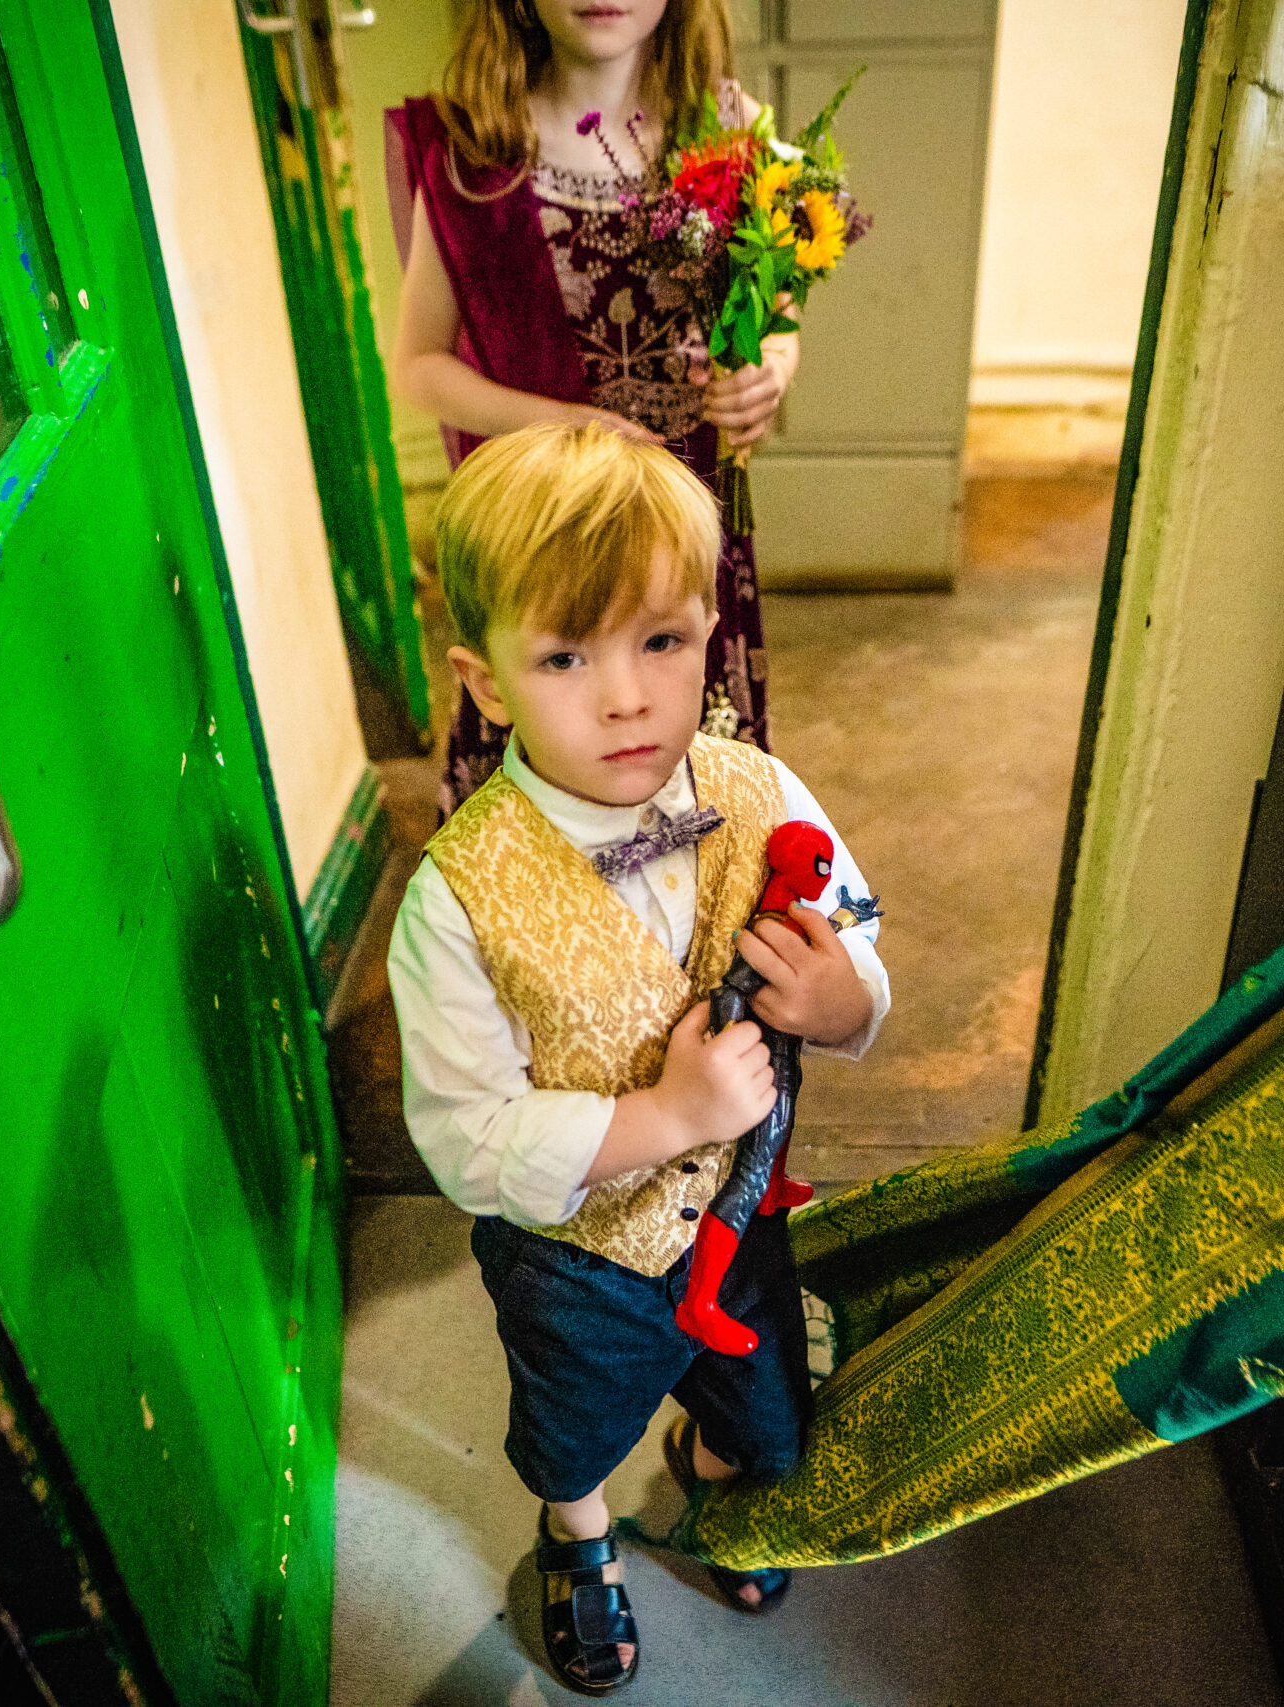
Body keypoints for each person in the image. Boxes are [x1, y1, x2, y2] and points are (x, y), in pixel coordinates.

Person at [385, 423, 887, 1695]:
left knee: (764, 1405)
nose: (625, 698)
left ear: (709, 629)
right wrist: (664, 1117)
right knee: (574, 1427)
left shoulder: (760, 789)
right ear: (485, 682)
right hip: (579, 1260)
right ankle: (579, 1536)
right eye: (565, 656)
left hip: (741, 1216)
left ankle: (714, 1469)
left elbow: (854, 926)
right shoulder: (457, 900)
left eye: (660, 641)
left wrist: (843, 1001)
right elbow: (466, 1142)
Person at [386, 0, 797, 817]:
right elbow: (418, 368)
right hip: (546, 527)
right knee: (563, 734)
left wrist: (773, 367)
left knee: (684, 726)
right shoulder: (474, 150)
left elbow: (776, 310)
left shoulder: (729, 131)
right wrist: (567, 424)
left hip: (687, 524)